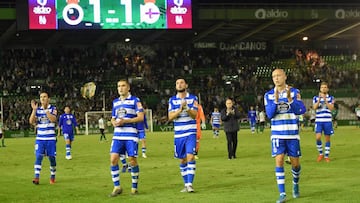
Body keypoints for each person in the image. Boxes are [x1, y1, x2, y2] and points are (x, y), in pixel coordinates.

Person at [264, 68, 306, 203]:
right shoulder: (269, 95)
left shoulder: (294, 92)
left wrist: (290, 100)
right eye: (274, 76)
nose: (276, 78)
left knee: (295, 164)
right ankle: (282, 193)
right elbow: (269, 115)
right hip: (277, 134)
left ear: (285, 77)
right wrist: (276, 102)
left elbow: (301, 110)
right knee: (280, 160)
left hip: (292, 134)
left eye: (279, 75)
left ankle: (295, 183)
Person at [109, 79, 144, 197]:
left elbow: (140, 117)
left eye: (123, 86)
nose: (120, 88)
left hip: (131, 134)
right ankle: (117, 187)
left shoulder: (135, 100)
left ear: (128, 88)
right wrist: (113, 122)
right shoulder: (115, 102)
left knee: (132, 160)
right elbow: (113, 117)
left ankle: (134, 187)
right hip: (117, 135)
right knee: (113, 159)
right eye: (118, 86)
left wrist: (126, 121)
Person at [168, 78, 198, 193]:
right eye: (177, 83)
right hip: (178, 134)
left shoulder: (193, 98)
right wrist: (180, 110)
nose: (179, 85)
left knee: (190, 156)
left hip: (190, 132)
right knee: (182, 160)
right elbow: (170, 117)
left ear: (186, 85)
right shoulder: (172, 100)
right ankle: (186, 184)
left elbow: (194, 115)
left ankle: (190, 184)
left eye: (181, 83)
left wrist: (187, 108)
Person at [29, 91, 58, 185]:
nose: (43, 98)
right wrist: (34, 110)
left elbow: (53, 119)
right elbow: (31, 121)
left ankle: (52, 176)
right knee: (38, 156)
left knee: (52, 158)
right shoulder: (37, 110)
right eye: (41, 97)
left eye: (45, 97)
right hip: (40, 138)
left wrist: (46, 111)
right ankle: (36, 177)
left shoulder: (53, 108)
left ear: (48, 99)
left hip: (50, 138)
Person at [313, 82, 335, 162]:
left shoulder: (331, 98)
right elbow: (314, 107)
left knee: (327, 139)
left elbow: (331, 108)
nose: (323, 88)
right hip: (319, 121)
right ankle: (320, 154)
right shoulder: (315, 97)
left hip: (327, 121)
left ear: (327, 89)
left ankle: (326, 156)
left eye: (325, 87)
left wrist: (325, 100)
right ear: (320, 89)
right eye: (322, 87)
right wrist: (319, 99)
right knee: (318, 137)